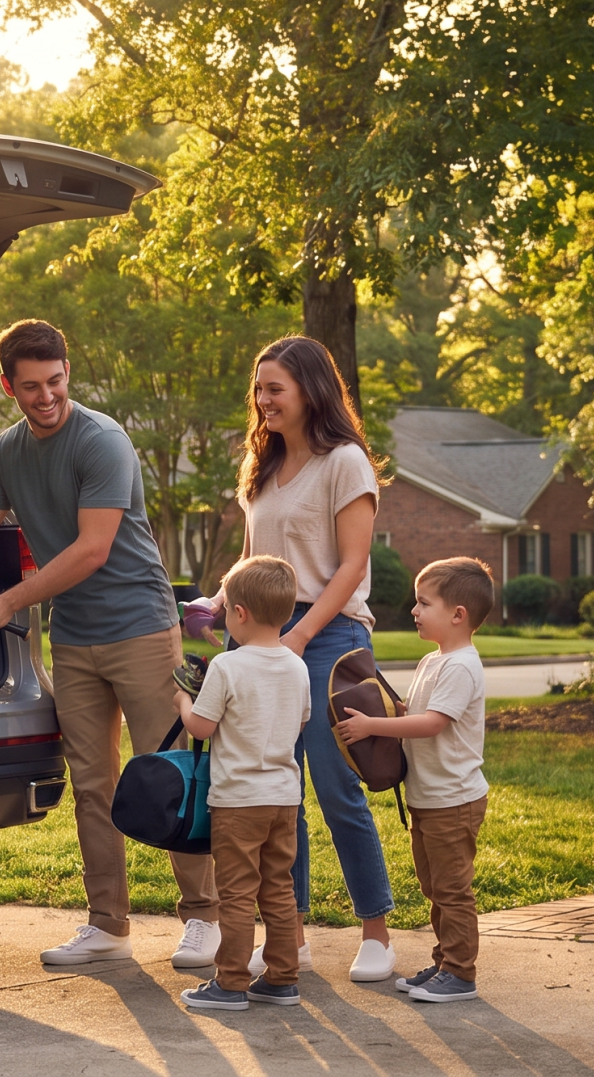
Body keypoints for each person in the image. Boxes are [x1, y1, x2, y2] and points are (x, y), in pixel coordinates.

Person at [0, 319, 221, 969]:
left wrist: (10, 601)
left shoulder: (101, 441)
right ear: (9, 386)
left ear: (67, 373)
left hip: (140, 629)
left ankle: (205, 919)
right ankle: (108, 926)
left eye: (55, 381)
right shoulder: (7, 452)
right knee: (92, 786)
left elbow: (91, 548)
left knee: (167, 777)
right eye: (31, 386)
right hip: (75, 641)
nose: (46, 395)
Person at [184, 335, 398, 983]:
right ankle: (291, 938)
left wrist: (300, 638)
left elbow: (353, 565)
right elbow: (252, 560)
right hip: (257, 637)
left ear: (310, 390)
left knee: (336, 788)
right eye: (259, 388)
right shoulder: (261, 465)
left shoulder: (346, 463)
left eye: (275, 388)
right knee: (277, 789)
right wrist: (217, 603)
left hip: (328, 639)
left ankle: (377, 933)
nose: (263, 399)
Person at [337, 556, 495, 1003]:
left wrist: (372, 726)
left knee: (452, 889)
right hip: (429, 797)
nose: (414, 610)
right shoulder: (434, 661)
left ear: (457, 615)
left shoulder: (461, 666)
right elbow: (415, 712)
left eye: (424, 603)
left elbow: (431, 724)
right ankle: (446, 961)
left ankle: (461, 974)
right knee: (433, 886)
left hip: (453, 800)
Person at [175, 555, 311, 1011]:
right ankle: (282, 978)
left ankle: (230, 982)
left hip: (237, 801)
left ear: (239, 613)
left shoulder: (228, 667)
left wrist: (180, 696)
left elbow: (200, 727)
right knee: (278, 888)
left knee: (235, 893)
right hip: (284, 798)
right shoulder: (296, 666)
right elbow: (301, 718)